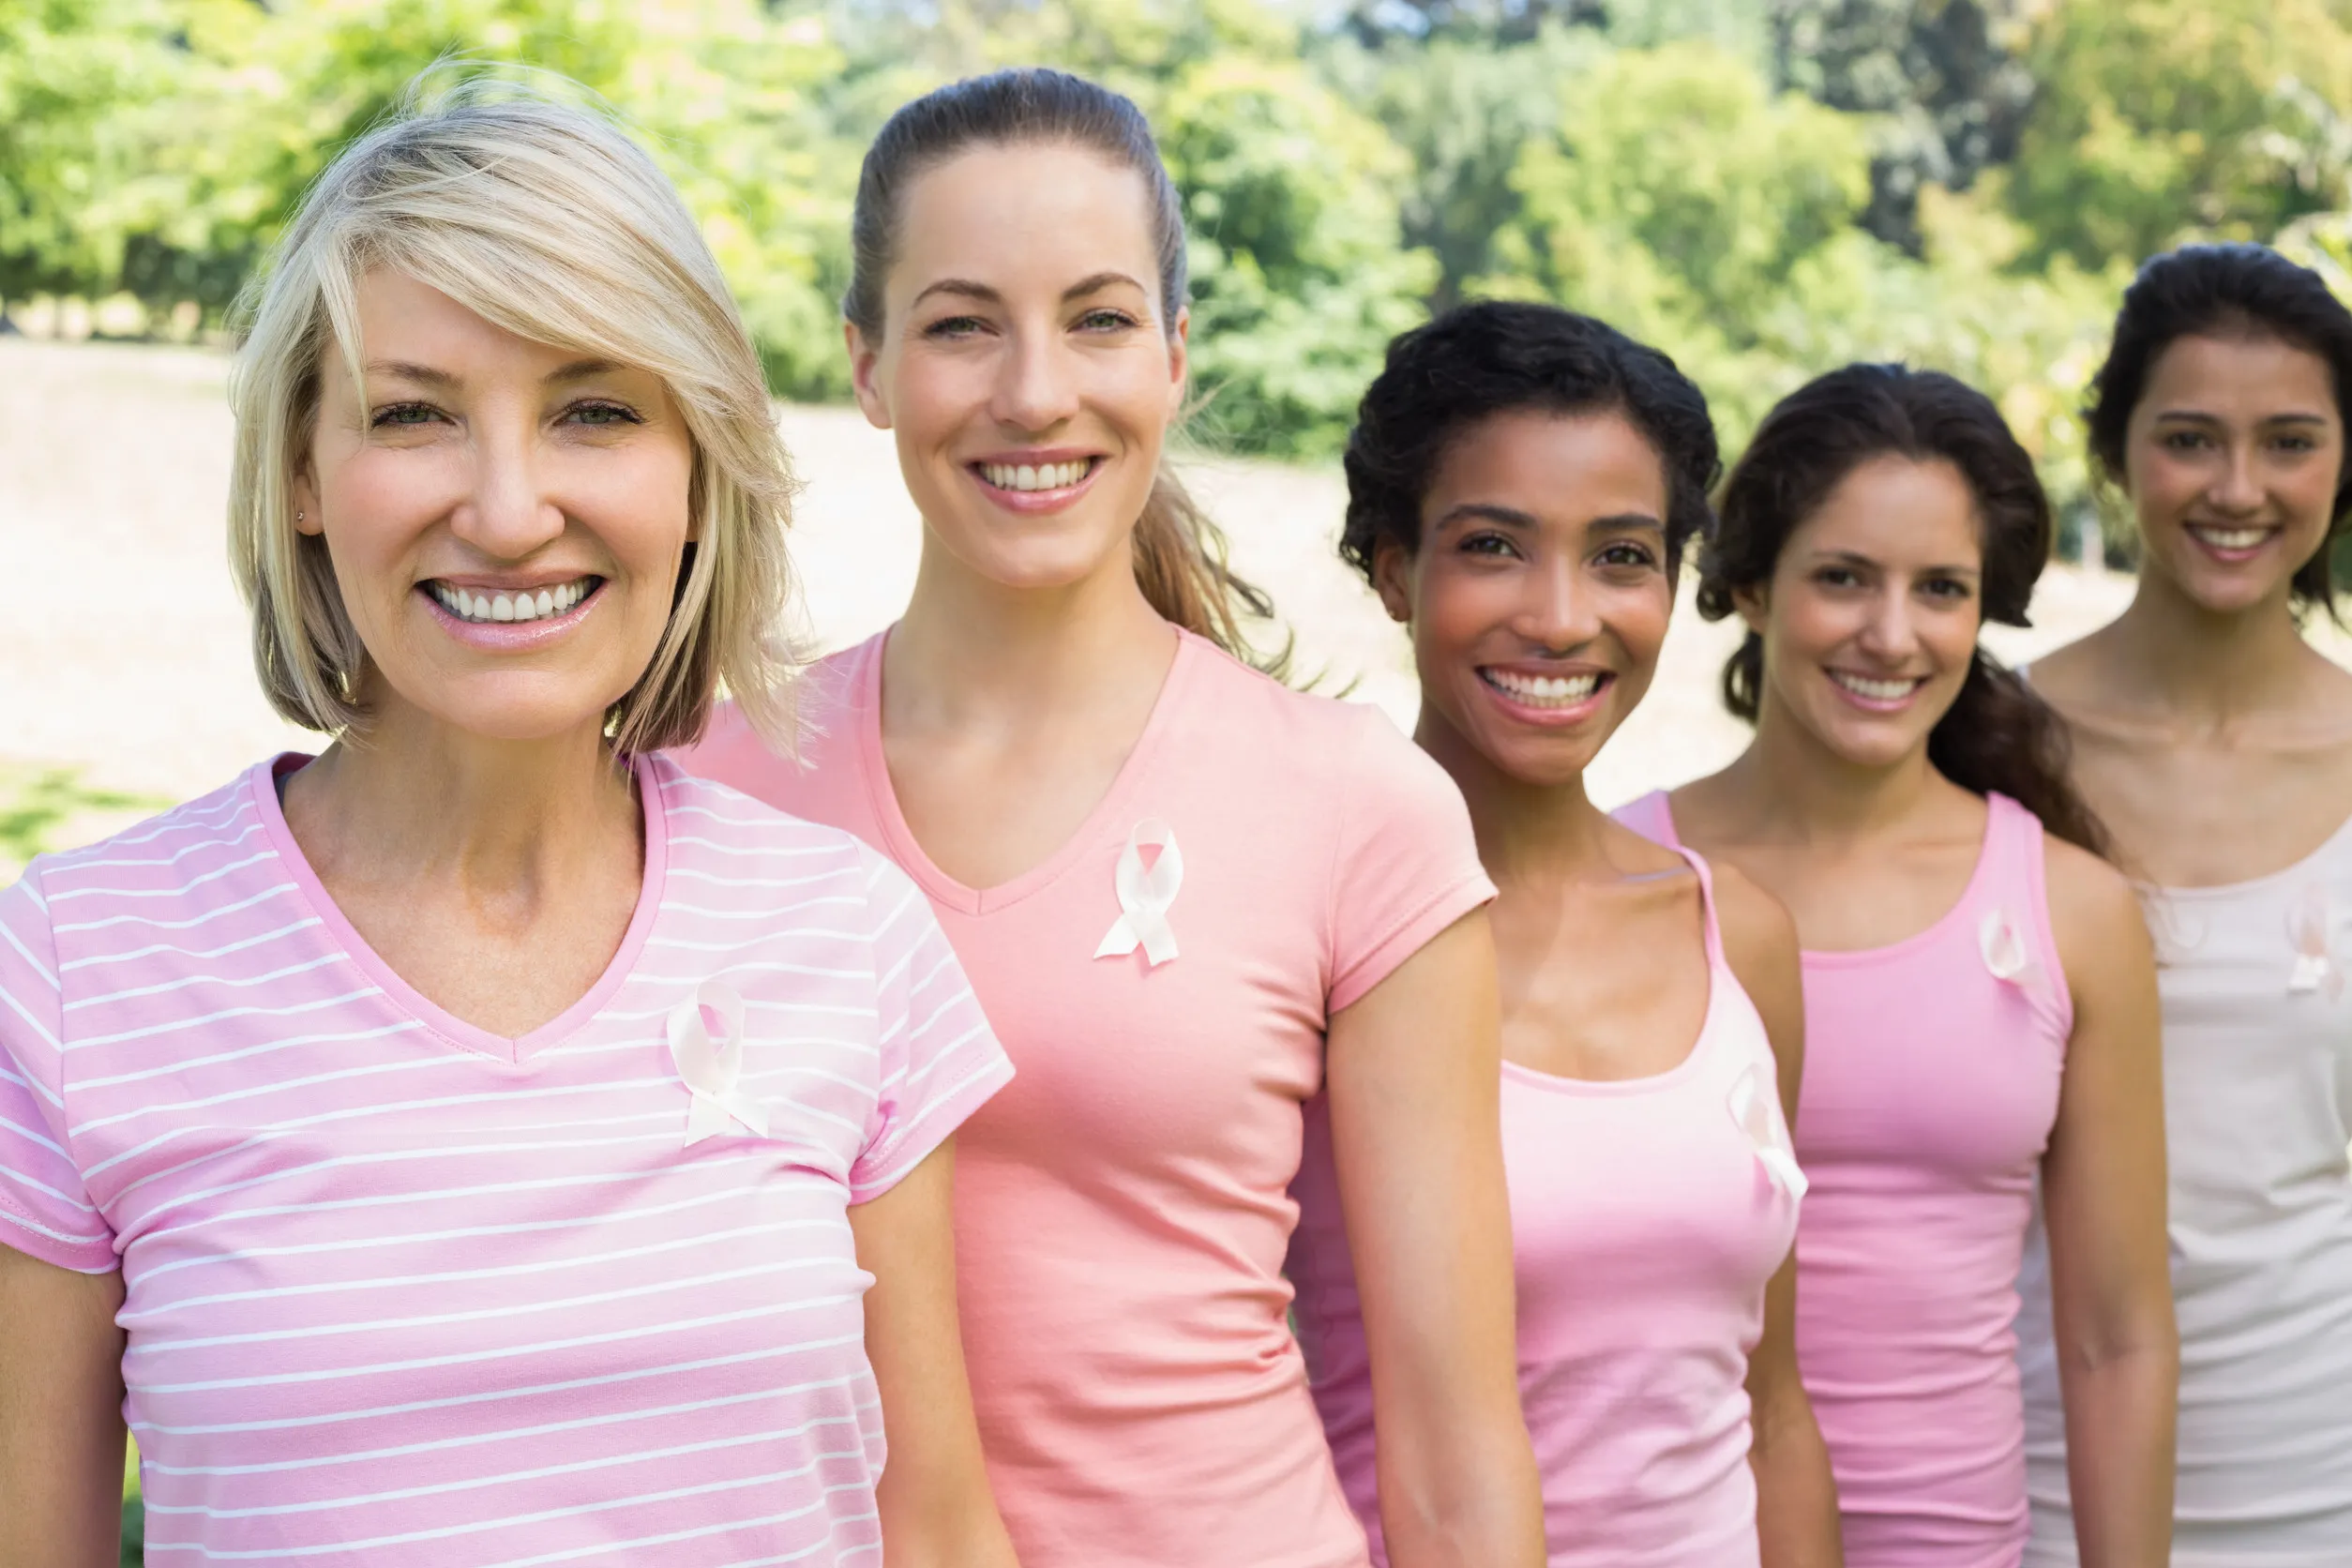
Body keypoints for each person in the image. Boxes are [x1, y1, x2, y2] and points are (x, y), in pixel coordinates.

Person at [0, 83, 1017, 1568]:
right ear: (299, 471)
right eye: (414, 414)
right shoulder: (80, 964)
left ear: (695, 470)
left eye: (594, 411)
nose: (509, 507)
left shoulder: (845, 937)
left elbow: (933, 1528)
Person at [684, 68, 1544, 1568]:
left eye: (1096, 319)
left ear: (1173, 359)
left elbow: (1460, 1455)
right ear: (867, 366)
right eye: (962, 324)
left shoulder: (1356, 807)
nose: (1034, 392)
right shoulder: (700, 783)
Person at [1285, 300, 1844, 1568]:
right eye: (1493, 545)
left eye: (1621, 555)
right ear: (1389, 566)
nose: (1560, 616)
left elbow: (1771, 1408)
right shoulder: (1291, 932)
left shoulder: (1736, 935)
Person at [1617, 364, 2177, 1567]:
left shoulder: (2073, 912)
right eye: (1842, 578)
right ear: (1752, 586)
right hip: (1664, 1538)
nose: (1892, 632)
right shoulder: (1617, 878)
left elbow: (2117, 1336)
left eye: (1941, 589)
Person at [2013, 243, 2352, 1566]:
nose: (2237, 488)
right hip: (2017, 1482)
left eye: (2290, 442)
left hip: (2324, 1481)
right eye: (2190, 438)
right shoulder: (1987, 747)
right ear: (2116, 452)